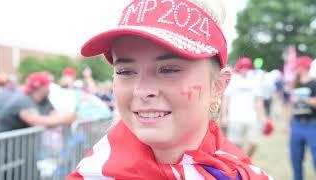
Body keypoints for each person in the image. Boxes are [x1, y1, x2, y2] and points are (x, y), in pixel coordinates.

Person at [68, 0, 271, 179]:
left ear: (218, 85)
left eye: (169, 69)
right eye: (125, 71)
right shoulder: (93, 173)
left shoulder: (239, 173)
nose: (142, 90)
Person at [0, 71, 77, 132]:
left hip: (24, 149)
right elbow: (36, 121)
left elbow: (54, 115)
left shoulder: (44, 100)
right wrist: (66, 119)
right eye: (48, 85)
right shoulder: (23, 100)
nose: (50, 88)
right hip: (5, 150)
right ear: (41, 87)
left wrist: (67, 117)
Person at [221, 57, 268, 158]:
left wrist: (263, 117)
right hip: (235, 117)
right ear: (239, 68)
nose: (244, 70)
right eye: (242, 67)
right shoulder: (233, 80)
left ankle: (246, 160)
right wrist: (224, 116)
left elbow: (258, 101)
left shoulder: (255, 80)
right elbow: (226, 99)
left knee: (255, 142)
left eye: (247, 67)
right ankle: (240, 164)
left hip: (251, 117)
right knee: (236, 145)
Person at [285, 56, 316, 180]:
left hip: (312, 125)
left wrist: (305, 99)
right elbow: (290, 105)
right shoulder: (295, 84)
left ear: (302, 68)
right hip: (296, 124)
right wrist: (287, 123)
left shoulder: (314, 83)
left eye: (297, 67)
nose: (295, 70)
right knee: (295, 159)